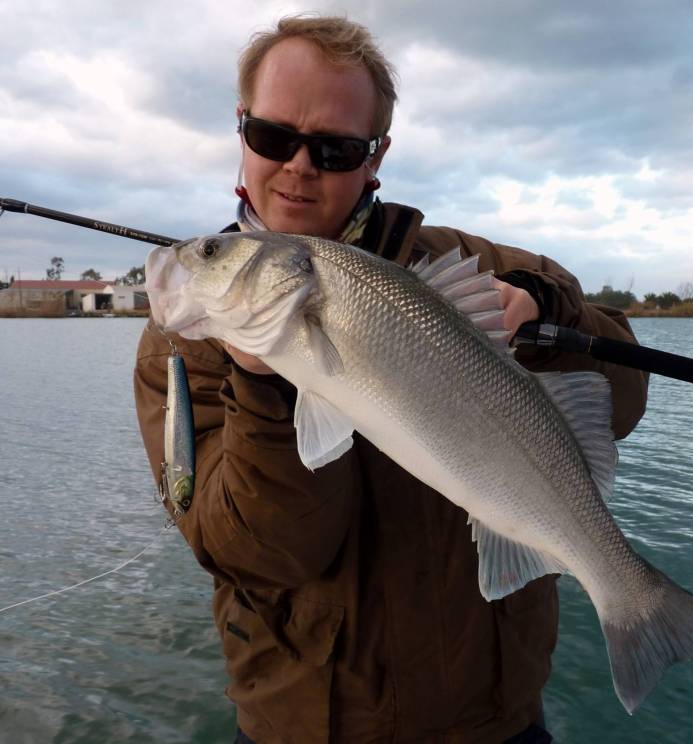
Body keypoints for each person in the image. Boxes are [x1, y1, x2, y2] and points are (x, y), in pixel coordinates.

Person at [134, 15, 648, 744]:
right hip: (308, 728)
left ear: (376, 158)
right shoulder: (183, 348)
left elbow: (623, 395)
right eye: (275, 138)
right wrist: (266, 390)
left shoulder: (471, 261)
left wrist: (546, 307)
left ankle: (635, 600)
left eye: (336, 148)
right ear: (241, 130)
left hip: (496, 723)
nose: (300, 167)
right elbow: (258, 554)